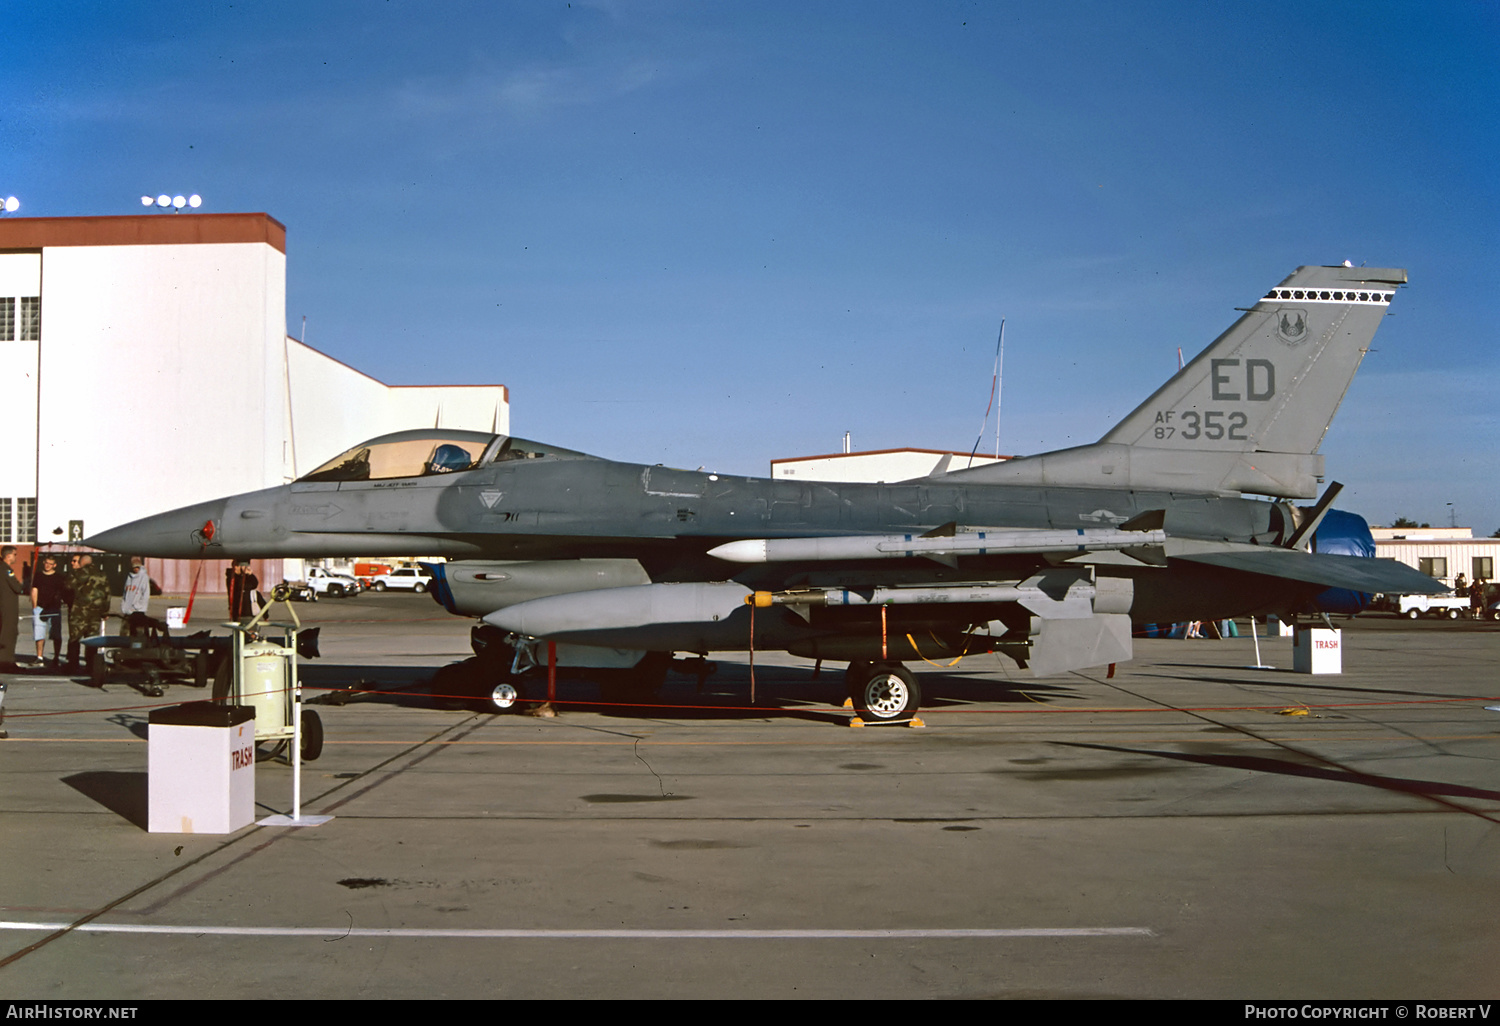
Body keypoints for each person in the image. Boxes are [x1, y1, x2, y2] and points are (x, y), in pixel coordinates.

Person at [65, 553, 110, 672]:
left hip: (79, 612)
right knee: (92, 640)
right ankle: (91, 666)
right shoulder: (102, 574)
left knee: (75, 638)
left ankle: (73, 665)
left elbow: (68, 587)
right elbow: (107, 594)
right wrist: (105, 612)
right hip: (96, 612)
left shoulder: (78, 573)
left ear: (82, 562)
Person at [31, 554, 67, 669]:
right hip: (40, 607)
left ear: (54, 565)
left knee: (56, 633)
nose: (47, 565)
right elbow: (34, 590)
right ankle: (39, 657)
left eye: (50, 564)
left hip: (54, 608)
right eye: (46, 563)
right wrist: (35, 606)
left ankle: (56, 657)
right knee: (39, 633)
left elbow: (64, 593)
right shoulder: (38, 576)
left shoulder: (59, 578)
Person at [1, 546, 23, 672]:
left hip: (2, 607)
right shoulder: (6, 569)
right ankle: (6, 662)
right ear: (8, 556)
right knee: (9, 634)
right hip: (8, 608)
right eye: (14, 554)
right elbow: (17, 587)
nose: (15, 557)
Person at [121, 557, 151, 623]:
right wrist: (124, 606)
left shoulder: (144, 577)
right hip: (127, 611)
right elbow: (125, 593)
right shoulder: (129, 577)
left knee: (136, 632)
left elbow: (146, 595)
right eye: (134, 567)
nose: (136, 569)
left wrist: (136, 607)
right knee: (124, 632)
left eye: (138, 567)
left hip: (138, 612)